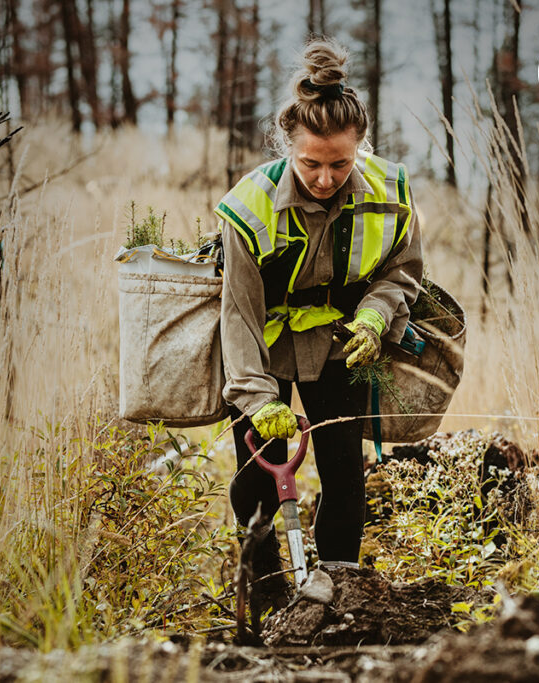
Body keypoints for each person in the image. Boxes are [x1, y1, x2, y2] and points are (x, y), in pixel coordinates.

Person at [214, 38, 423, 613]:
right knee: (256, 478)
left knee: (344, 473)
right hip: (265, 350)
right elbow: (239, 314)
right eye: (311, 163)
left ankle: (339, 596)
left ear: (360, 147)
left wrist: (376, 318)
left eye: (340, 163)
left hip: (341, 344)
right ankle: (261, 597)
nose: (326, 177)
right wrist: (257, 400)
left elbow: (403, 272)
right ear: (287, 147)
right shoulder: (249, 208)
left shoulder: (391, 193)